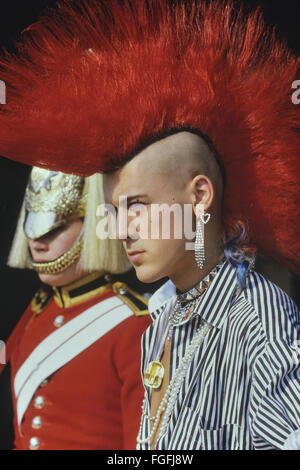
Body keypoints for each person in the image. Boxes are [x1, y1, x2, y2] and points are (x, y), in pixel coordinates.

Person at [0, 0, 299, 450]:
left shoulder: (261, 318)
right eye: (116, 210)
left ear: (199, 197)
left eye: (137, 205)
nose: (121, 230)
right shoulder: (162, 316)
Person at [0, 166, 152, 450]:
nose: (37, 244)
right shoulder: (38, 307)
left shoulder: (133, 323)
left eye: (55, 228)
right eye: (34, 225)